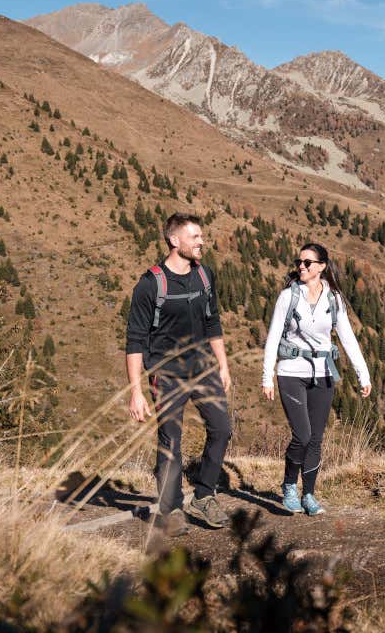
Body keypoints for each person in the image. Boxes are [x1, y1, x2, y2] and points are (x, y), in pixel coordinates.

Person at [126, 213, 232, 540]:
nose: (202, 242)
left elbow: (212, 322)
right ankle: (170, 509)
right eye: (195, 237)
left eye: (201, 236)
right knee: (171, 441)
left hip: (202, 369)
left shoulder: (204, 276)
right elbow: (135, 340)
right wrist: (136, 392)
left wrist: (223, 365)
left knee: (222, 428)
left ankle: (203, 497)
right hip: (166, 374)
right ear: (175, 241)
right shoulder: (150, 284)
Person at [261, 242, 372, 516]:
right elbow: (273, 337)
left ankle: (309, 494)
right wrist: (267, 377)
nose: (301, 266)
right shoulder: (288, 296)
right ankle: (289, 486)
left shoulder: (333, 299)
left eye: (307, 262)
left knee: (316, 439)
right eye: (299, 262)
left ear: (321, 266)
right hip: (291, 373)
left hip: (323, 374)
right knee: (303, 434)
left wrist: (363, 373)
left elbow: (347, 336)